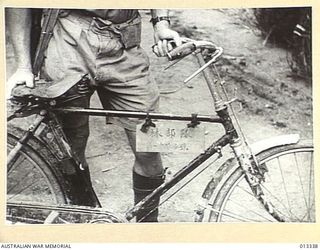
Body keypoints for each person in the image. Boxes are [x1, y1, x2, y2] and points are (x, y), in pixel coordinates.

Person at [6, 8, 182, 222]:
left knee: (150, 147)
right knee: (71, 151)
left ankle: (147, 227)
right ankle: (86, 220)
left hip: (124, 44)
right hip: (68, 43)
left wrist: (161, 24)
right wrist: (23, 66)